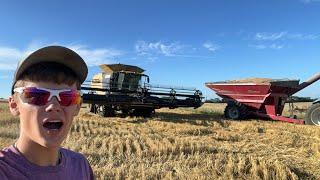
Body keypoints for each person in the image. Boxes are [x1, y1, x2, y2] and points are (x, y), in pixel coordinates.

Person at [0, 46, 94, 179]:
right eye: (37, 95)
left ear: (78, 106)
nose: (53, 106)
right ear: (14, 105)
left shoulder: (81, 165)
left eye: (68, 97)